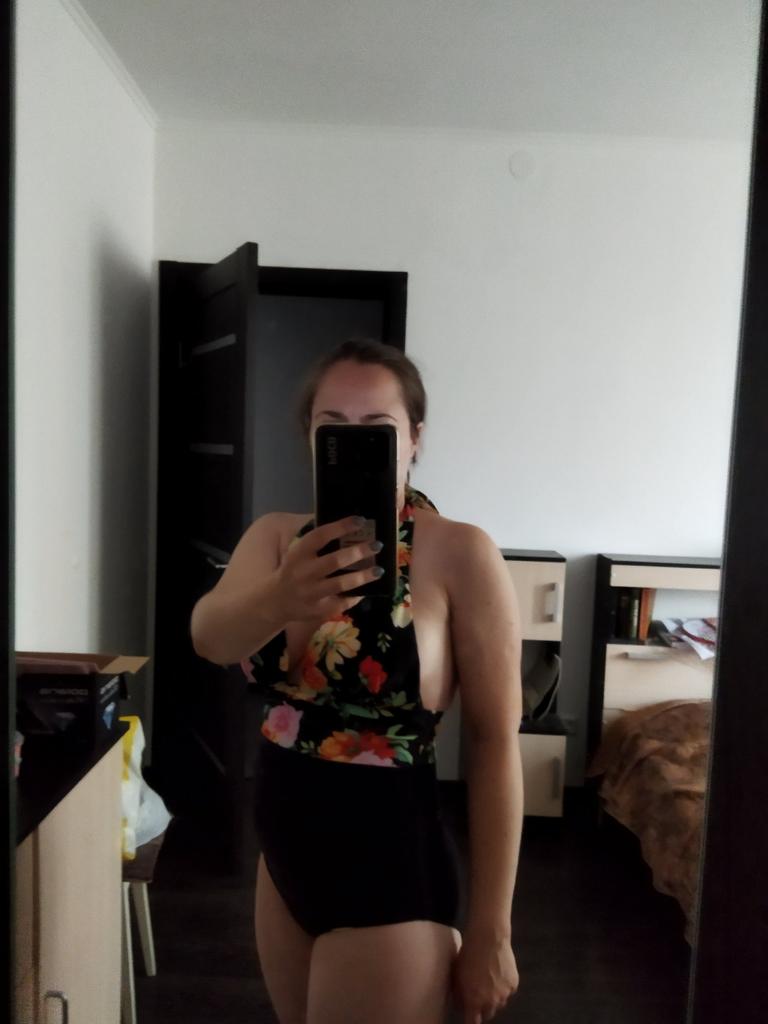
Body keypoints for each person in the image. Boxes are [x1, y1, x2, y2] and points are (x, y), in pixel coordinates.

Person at [190, 339, 524, 1024]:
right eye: (333, 426)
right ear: (310, 438)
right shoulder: (277, 540)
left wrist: (493, 929)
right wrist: (281, 597)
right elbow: (209, 638)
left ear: (415, 439)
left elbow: (495, 743)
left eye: (378, 428)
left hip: (391, 869)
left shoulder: (461, 552)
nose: (354, 442)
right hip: (283, 861)